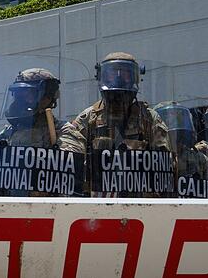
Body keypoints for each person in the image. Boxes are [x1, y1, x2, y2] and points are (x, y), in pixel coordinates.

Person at [59, 52, 170, 196]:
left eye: (125, 74)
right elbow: (71, 164)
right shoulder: (89, 118)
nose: (119, 78)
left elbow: (164, 168)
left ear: (135, 77)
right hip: (98, 202)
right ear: (102, 77)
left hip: (139, 203)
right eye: (112, 74)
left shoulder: (149, 118)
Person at [154, 102, 208, 197]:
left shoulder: (197, 158)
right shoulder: (153, 159)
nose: (176, 139)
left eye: (179, 134)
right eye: (171, 134)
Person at [0, 68, 63, 147]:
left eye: (31, 94)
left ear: (47, 98)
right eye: (21, 95)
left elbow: (67, 153)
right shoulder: (8, 132)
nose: (25, 100)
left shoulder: (62, 131)